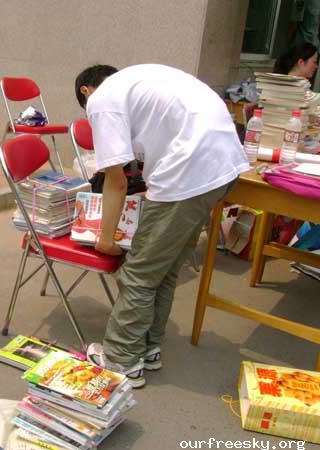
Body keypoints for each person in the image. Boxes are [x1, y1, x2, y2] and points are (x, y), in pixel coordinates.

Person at [74, 64, 249, 388]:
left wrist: (107, 238)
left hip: (189, 172)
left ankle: (122, 360)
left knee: (138, 274)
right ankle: (148, 348)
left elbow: (116, 181)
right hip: (223, 164)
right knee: (164, 268)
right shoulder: (137, 82)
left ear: (86, 92)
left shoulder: (101, 101)